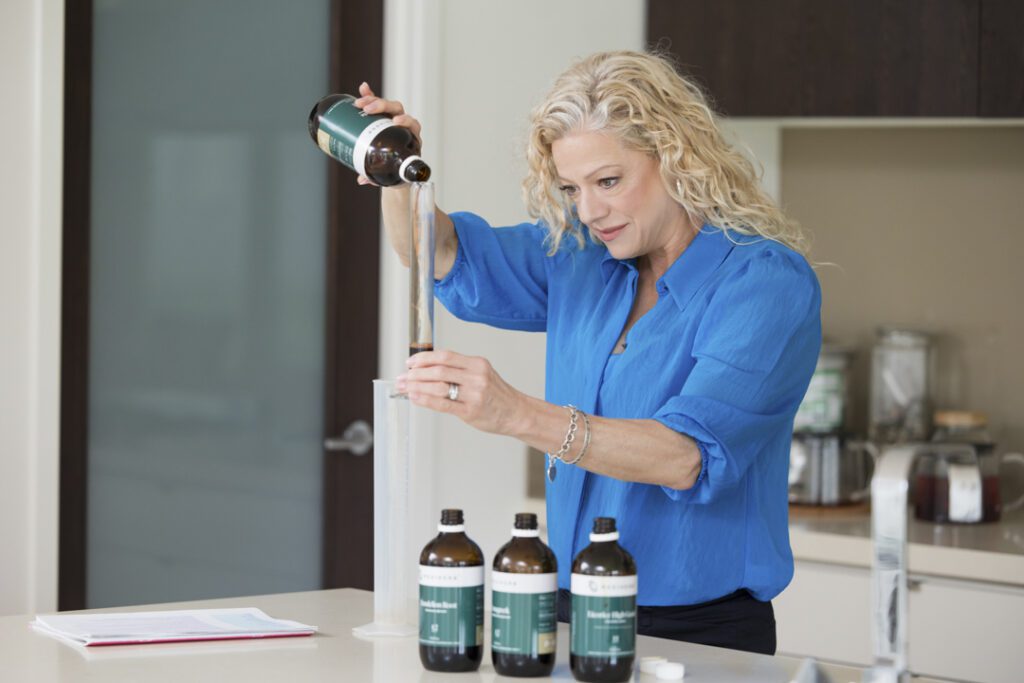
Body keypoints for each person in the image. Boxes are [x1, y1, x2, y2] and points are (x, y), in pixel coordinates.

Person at [355, 50, 821, 656]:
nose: (589, 210)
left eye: (609, 181)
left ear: (678, 157)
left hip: (700, 631)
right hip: (572, 608)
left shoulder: (763, 282)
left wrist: (516, 414)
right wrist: (400, 176)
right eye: (571, 188)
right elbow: (439, 253)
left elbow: (686, 457)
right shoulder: (583, 257)